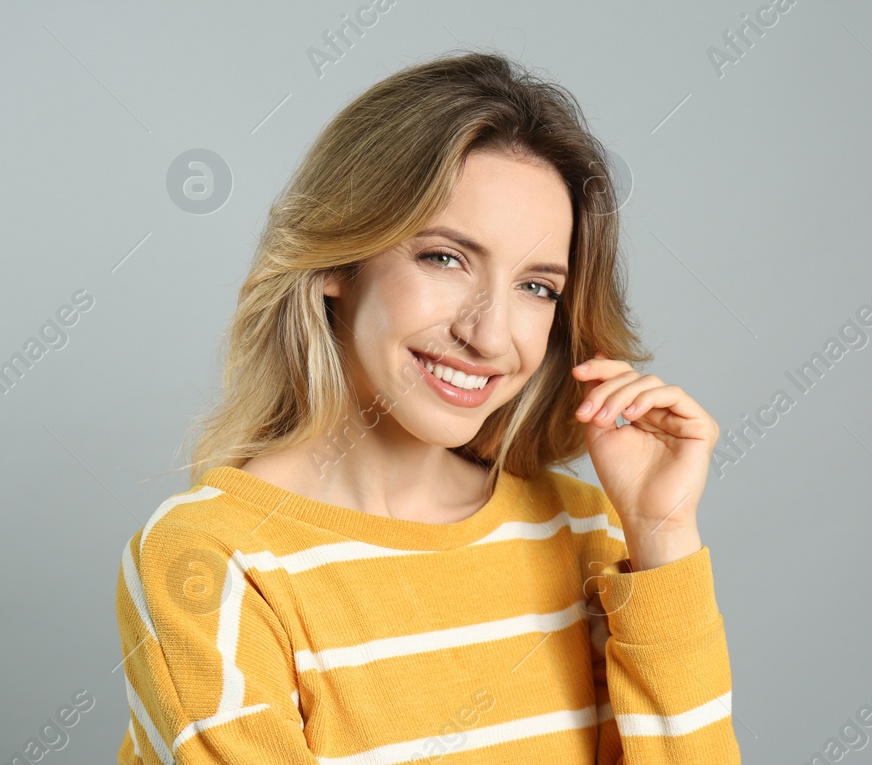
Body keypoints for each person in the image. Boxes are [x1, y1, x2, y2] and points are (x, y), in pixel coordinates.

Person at [114, 51, 740, 764]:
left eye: (537, 286)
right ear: (337, 263)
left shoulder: (588, 531)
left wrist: (661, 537)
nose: (489, 333)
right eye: (446, 257)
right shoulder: (211, 558)